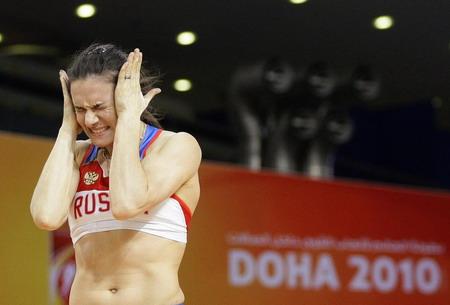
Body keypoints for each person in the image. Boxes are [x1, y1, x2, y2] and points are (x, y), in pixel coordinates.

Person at [30, 43, 201, 305]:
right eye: (80, 109)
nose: (89, 121)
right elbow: (46, 216)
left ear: (127, 98)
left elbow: (127, 203)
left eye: (99, 107)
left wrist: (130, 119)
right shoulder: (77, 153)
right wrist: (66, 129)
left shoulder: (175, 146)